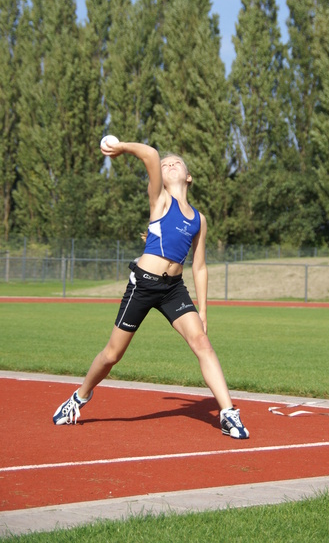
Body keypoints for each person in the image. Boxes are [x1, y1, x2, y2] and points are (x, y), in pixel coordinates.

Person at [53, 140, 249, 439]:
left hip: (174, 289)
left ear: (189, 176)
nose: (169, 165)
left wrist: (204, 310)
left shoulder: (199, 219)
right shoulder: (160, 200)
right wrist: (121, 147)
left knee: (202, 344)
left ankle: (228, 413)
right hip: (143, 284)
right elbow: (151, 155)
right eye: (165, 164)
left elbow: (200, 266)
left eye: (177, 163)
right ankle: (79, 397)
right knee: (112, 355)